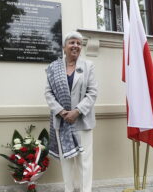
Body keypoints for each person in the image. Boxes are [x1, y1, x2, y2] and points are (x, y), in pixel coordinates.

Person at [45, 31, 97, 192]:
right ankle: (69, 189)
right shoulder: (53, 68)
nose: (76, 46)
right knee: (66, 161)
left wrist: (77, 111)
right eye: (72, 42)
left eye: (79, 43)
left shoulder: (88, 66)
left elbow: (92, 92)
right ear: (64, 47)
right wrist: (61, 112)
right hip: (62, 122)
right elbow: (48, 93)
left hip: (82, 121)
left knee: (84, 161)